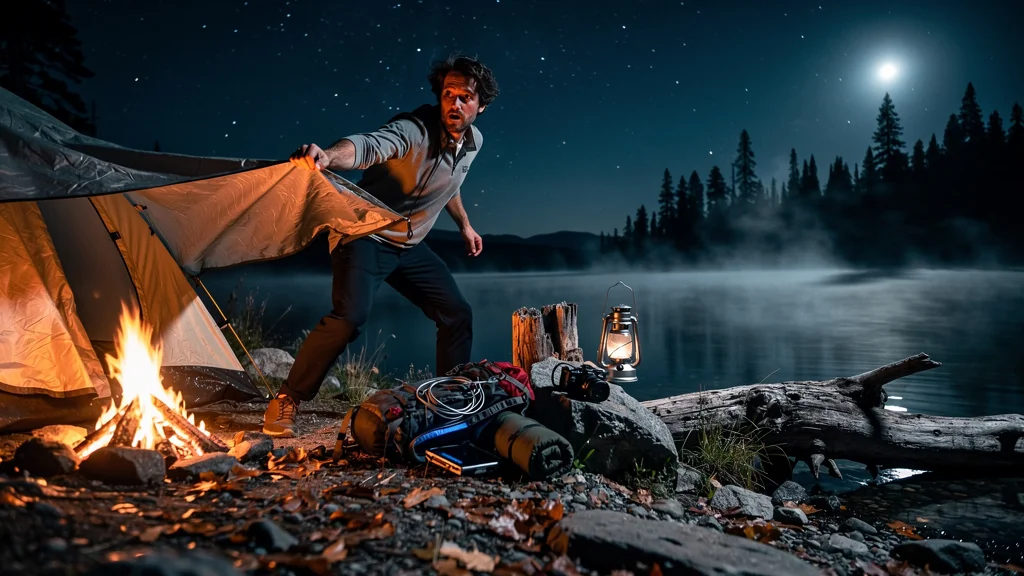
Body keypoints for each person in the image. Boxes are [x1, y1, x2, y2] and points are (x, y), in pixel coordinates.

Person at [263, 54, 499, 437]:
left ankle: (449, 404)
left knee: (457, 313)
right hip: (365, 234)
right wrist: (329, 156)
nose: (454, 104)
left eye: (465, 97)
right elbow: (369, 145)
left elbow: (452, 182)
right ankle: (287, 398)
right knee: (350, 317)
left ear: (481, 105)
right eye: (448, 94)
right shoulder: (412, 130)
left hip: (409, 244)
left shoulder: (474, 142)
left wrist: (466, 226)